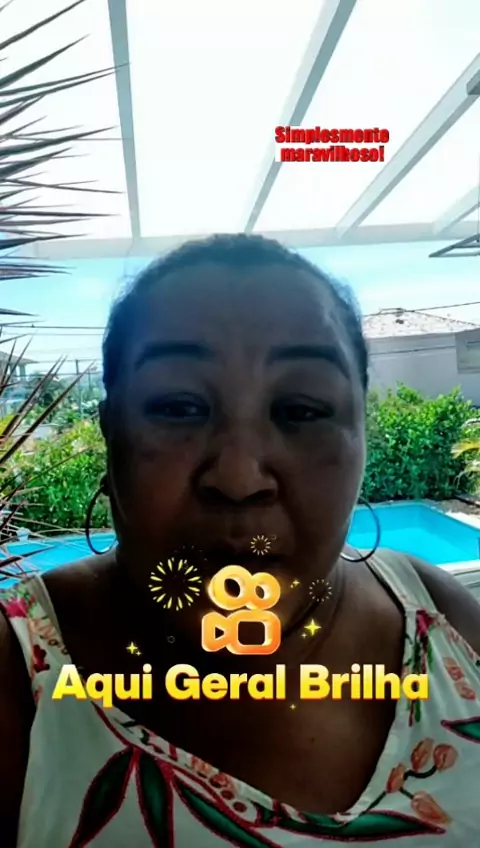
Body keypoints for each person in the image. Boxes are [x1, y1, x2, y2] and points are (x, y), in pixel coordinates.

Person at [0, 234, 479, 848]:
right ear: (110, 433)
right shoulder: (17, 682)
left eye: (301, 410)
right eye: (178, 407)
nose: (238, 478)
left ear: (362, 434)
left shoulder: (440, 616)